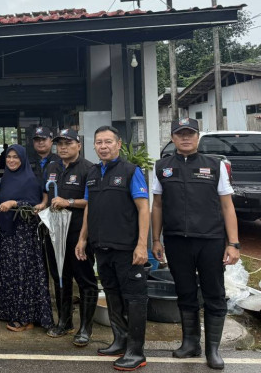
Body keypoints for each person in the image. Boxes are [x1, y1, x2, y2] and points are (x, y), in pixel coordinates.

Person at [151, 118, 240, 370]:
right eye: (180, 134)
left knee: (214, 293)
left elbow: (227, 206)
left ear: (198, 136)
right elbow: (157, 205)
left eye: (190, 133)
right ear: (173, 138)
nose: (185, 138)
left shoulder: (214, 165)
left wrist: (233, 243)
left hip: (211, 241)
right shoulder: (162, 167)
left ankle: (213, 349)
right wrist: (155, 239)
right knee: (185, 292)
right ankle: (190, 343)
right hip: (177, 241)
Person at [76, 125, 150, 371]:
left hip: (127, 248)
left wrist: (142, 245)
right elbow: (89, 207)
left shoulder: (131, 171)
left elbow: (143, 209)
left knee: (135, 298)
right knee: (112, 294)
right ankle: (120, 341)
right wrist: (83, 238)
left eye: (108, 142)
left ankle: (136, 351)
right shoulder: (93, 173)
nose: (103, 146)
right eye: (99, 142)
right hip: (102, 247)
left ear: (118, 144)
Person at [37, 128, 97, 345]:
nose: (63, 147)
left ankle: (85, 328)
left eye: (68, 143)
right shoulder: (52, 167)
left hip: (78, 232)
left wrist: (68, 202)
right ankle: (64, 321)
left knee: (85, 279)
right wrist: (43, 205)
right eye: (60, 144)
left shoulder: (89, 169)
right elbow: (47, 193)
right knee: (60, 277)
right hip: (55, 232)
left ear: (79, 145)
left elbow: (92, 201)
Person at [0, 144, 53, 331]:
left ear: (23, 159)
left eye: (15, 157)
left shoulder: (30, 179)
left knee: (23, 273)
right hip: (7, 232)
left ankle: (26, 317)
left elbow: (35, 206)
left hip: (24, 235)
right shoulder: (5, 179)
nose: (11, 160)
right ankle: (9, 311)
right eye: (9, 157)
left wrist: (15, 203)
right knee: (8, 271)